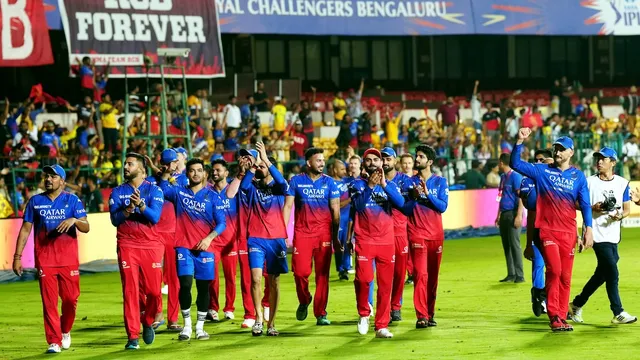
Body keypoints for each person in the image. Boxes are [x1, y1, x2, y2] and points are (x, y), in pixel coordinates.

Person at [511, 129, 593, 332]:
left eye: (561, 149)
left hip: (568, 233)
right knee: (554, 270)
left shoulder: (578, 177)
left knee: (565, 277)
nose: (557, 152)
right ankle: (554, 315)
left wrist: (588, 229)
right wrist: (520, 141)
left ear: (571, 152)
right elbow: (516, 164)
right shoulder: (542, 171)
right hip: (547, 231)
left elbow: (585, 205)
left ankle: (562, 315)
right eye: (556, 148)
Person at [12, 165, 90, 354]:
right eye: (47, 176)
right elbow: (25, 229)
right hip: (45, 259)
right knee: (49, 302)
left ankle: (65, 329)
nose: (48, 179)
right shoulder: (35, 202)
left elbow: (86, 226)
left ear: (62, 181)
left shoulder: (73, 200)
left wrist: (74, 220)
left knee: (70, 299)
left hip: (68, 259)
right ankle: (53, 341)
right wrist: (17, 257)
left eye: (53, 176)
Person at [158, 158, 226, 341]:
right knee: (185, 285)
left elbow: (222, 223)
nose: (195, 173)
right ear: (187, 174)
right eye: (192, 170)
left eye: (199, 170)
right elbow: (163, 189)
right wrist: (165, 172)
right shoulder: (179, 193)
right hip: (184, 248)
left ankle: (200, 327)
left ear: (205, 173)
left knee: (204, 289)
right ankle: (187, 326)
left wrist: (208, 238)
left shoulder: (213, 197)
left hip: (205, 249)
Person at [569, 148, 637, 325]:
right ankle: (618, 312)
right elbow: (575, 203)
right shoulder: (589, 182)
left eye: (603, 159)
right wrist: (593, 207)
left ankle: (576, 305)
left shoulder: (622, 183)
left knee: (602, 274)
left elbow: (627, 209)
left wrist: (619, 216)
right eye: (598, 159)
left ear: (613, 162)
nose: (599, 162)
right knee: (612, 272)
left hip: (613, 235)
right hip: (596, 234)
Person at [109, 153, 165, 349]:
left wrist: (141, 205)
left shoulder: (154, 190)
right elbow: (115, 220)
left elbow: (155, 217)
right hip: (127, 245)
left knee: (154, 291)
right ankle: (132, 337)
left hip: (151, 245)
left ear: (141, 169)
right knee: (130, 292)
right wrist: (128, 209)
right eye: (125, 163)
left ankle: (148, 320)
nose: (125, 167)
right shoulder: (117, 192)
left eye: (130, 164)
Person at [349, 148, 405, 338]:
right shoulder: (357, 184)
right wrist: (371, 187)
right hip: (365, 240)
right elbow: (357, 206)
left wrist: (383, 185)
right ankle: (364, 313)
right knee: (363, 279)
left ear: (382, 163)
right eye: (368, 159)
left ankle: (381, 325)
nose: (372, 162)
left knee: (385, 285)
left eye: (376, 159)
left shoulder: (390, 185)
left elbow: (401, 204)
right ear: (364, 164)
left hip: (386, 241)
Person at [284, 148, 341, 325]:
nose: (322, 163)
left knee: (322, 275)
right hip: (302, 234)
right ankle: (304, 299)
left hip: (323, 234)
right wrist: (283, 233)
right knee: (300, 273)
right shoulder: (296, 181)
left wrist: (335, 236)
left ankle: (321, 313)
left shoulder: (330, 183)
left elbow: (335, 211)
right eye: (318, 160)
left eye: (323, 160)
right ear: (309, 163)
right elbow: (287, 207)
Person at [239, 142, 289, 336]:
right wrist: (254, 164)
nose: (258, 169)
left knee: (274, 282)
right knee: (256, 279)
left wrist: (266, 159)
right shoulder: (252, 188)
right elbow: (243, 186)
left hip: (276, 239)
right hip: (256, 238)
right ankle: (259, 318)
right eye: (257, 166)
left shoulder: (278, 187)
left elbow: (283, 183)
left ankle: (272, 323)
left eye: (262, 167)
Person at [400, 145, 448, 328]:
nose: (417, 159)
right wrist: (413, 198)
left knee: (433, 278)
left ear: (429, 162)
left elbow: (442, 207)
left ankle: (430, 313)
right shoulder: (408, 182)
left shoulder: (440, 182)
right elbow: (405, 209)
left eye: (420, 156)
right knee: (421, 275)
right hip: (417, 234)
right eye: (416, 156)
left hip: (436, 236)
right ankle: (421, 316)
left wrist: (427, 195)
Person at [144, 149, 188, 332]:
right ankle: (158, 313)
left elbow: (173, 190)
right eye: (165, 162)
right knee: (153, 279)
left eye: (172, 162)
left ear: (176, 163)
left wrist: (161, 173)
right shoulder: (150, 181)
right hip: (153, 234)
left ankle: (173, 318)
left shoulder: (182, 181)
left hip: (173, 234)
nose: (168, 165)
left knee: (173, 279)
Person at [520, 149, 553, 317]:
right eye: (537, 160)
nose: (538, 163)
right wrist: (528, 244)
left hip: (556, 231)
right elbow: (531, 215)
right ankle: (539, 297)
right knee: (539, 265)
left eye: (542, 160)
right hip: (540, 232)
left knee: (555, 269)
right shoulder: (531, 183)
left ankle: (551, 301)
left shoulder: (559, 182)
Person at [381, 147, 411, 322]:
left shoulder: (405, 181)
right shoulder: (375, 181)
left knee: (400, 273)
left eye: (388, 159)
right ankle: (383, 307)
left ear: (395, 160)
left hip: (400, 232)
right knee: (384, 274)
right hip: (381, 233)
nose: (385, 162)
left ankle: (396, 307)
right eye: (382, 159)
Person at [208, 159, 239, 322]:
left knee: (230, 277)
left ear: (226, 173)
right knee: (211, 276)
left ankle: (229, 308)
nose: (215, 173)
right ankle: (213, 307)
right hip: (212, 242)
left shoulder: (234, 191)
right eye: (213, 170)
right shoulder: (207, 192)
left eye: (218, 170)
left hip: (230, 242)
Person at [495, 153, 525, 283]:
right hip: (504, 213)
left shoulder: (516, 177)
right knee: (506, 244)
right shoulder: (503, 177)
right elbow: (501, 196)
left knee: (514, 244)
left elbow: (521, 197)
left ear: (501, 163)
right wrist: (498, 215)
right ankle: (511, 273)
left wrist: (519, 215)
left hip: (513, 213)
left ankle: (520, 275)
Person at [331, 159, 352, 279]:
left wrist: (350, 157)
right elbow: (335, 205)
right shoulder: (331, 183)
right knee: (339, 245)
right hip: (338, 219)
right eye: (342, 169)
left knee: (347, 243)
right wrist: (349, 200)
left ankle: (346, 267)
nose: (345, 171)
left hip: (348, 218)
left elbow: (355, 171)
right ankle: (341, 269)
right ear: (335, 170)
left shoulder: (346, 181)